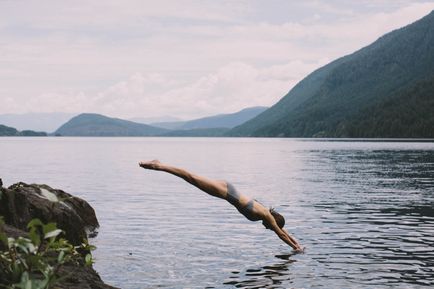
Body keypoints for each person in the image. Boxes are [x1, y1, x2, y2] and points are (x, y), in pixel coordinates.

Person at [139, 160, 303, 252]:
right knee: (191, 177)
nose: (268, 229)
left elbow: (281, 231)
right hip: (226, 192)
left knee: (192, 179)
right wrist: (294, 248)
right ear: (273, 221)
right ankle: (158, 165)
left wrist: (296, 244)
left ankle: (159, 165)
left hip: (228, 189)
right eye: (270, 227)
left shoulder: (268, 214)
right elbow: (280, 234)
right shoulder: (266, 216)